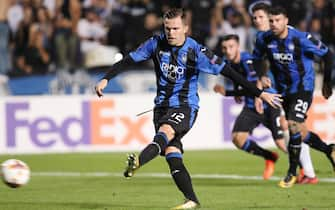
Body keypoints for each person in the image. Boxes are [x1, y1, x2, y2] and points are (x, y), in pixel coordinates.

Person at [95, 8, 281, 209]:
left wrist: (260, 93)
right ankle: (192, 200)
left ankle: (138, 162)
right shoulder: (156, 43)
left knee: (165, 132)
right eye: (167, 28)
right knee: (172, 153)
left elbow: (230, 73)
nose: (171, 33)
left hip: (185, 107)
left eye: (175, 28)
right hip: (161, 108)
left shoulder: (196, 51)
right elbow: (128, 60)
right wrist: (106, 78)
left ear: (185, 28)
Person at [253, 6, 335, 188]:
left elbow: (328, 54)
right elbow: (257, 59)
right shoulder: (264, 38)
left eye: (278, 20)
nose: (274, 24)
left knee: (292, 125)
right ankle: (329, 150)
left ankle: (292, 173)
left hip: (303, 88)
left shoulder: (301, 38)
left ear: (286, 20)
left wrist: (328, 83)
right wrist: (261, 75)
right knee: (301, 132)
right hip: (283, 91)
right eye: (271, 20)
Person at [213, 34, 287, 180]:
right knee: (237, 139)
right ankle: (269, 157)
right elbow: (240, 80)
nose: (228, 51)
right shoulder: (229, 63)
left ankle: (302, 168)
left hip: (268, 103)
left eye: (231, 47)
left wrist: (227, 92)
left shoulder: (247, 60)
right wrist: (235, 91)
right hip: (251, 106)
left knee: (280, 142)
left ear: (238, 46)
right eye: (224, 48)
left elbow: (254, 87)